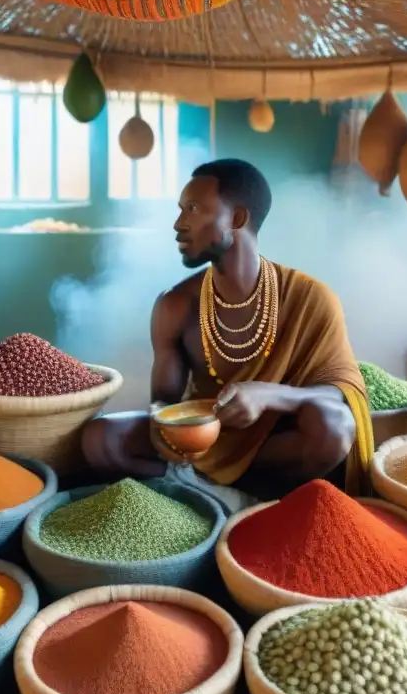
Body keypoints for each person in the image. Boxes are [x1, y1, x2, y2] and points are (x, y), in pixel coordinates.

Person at [81, 159, 375, 499]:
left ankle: (215, 495)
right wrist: (177, 432)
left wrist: (269, 395)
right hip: (204, 439)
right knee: (99, 438)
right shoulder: (175, 304)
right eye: (181, 210)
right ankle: (216, 495)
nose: (179, 224)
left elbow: (342, 389)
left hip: (274, 444)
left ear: (236, 219)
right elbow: (163, 407)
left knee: (334, 426)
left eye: (193, 209)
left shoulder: (311, 297)